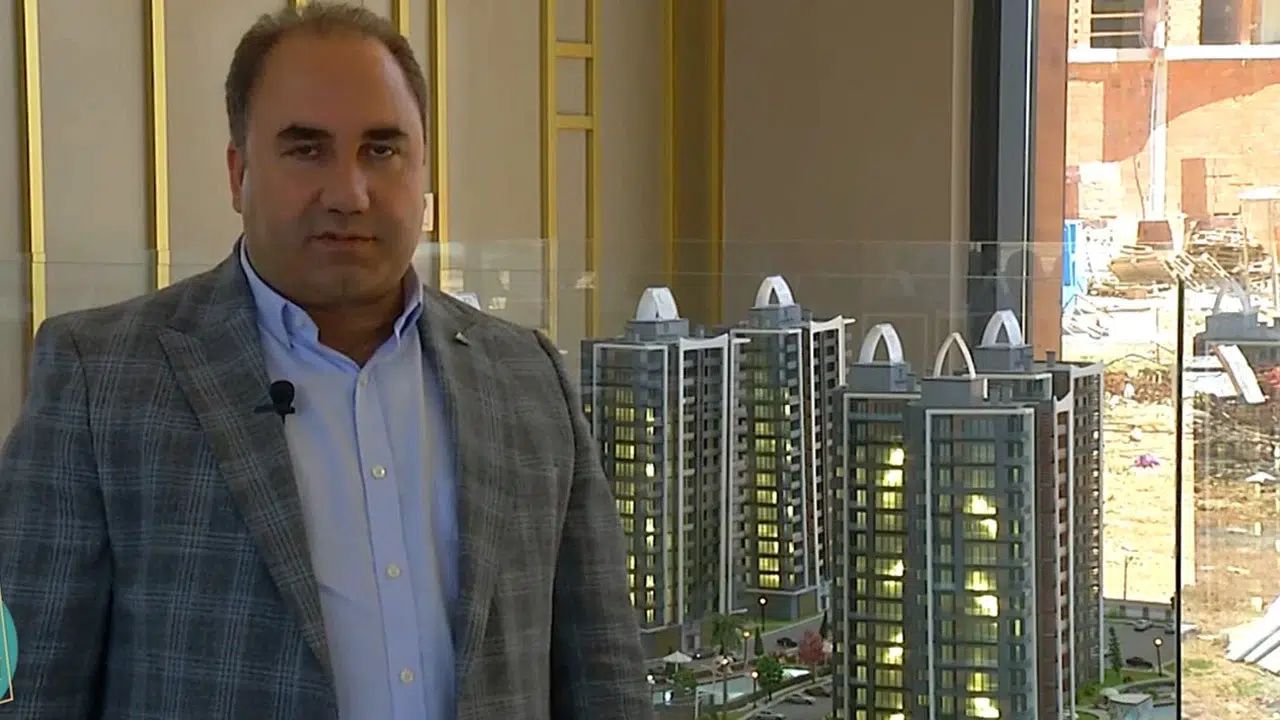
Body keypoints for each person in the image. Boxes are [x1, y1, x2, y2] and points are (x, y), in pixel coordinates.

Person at [0, 3, 648, 719]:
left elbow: (605, 683)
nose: (348, 193)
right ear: (238, 174)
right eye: (307, 149)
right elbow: (30, 692)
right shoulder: (101, 381)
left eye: (382, 149)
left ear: (423, 171)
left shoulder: (527, 377)